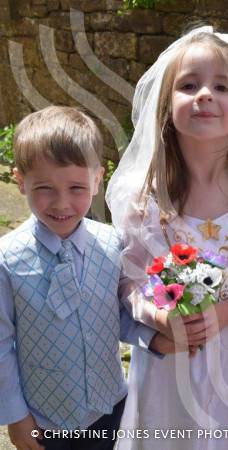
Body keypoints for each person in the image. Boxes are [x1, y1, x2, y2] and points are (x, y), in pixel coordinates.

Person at [106, 26, 228, 449]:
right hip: (166, 357)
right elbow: (129, 280)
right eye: (189, 85)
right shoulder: (147, 195)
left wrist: (224, 315)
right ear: (166, 105)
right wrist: (156, 316)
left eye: (221, 86)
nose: (205, 94)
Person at [0, 106, 173, 450]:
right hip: (45, 418)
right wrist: (16, 416)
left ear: (98, 179)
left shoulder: (113, 243)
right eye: (45, 188)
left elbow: (118, 314)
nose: (61, 203)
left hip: (111, 407)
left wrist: (154, 339)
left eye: (77, 187)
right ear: (20, 181)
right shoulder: (6, 260)